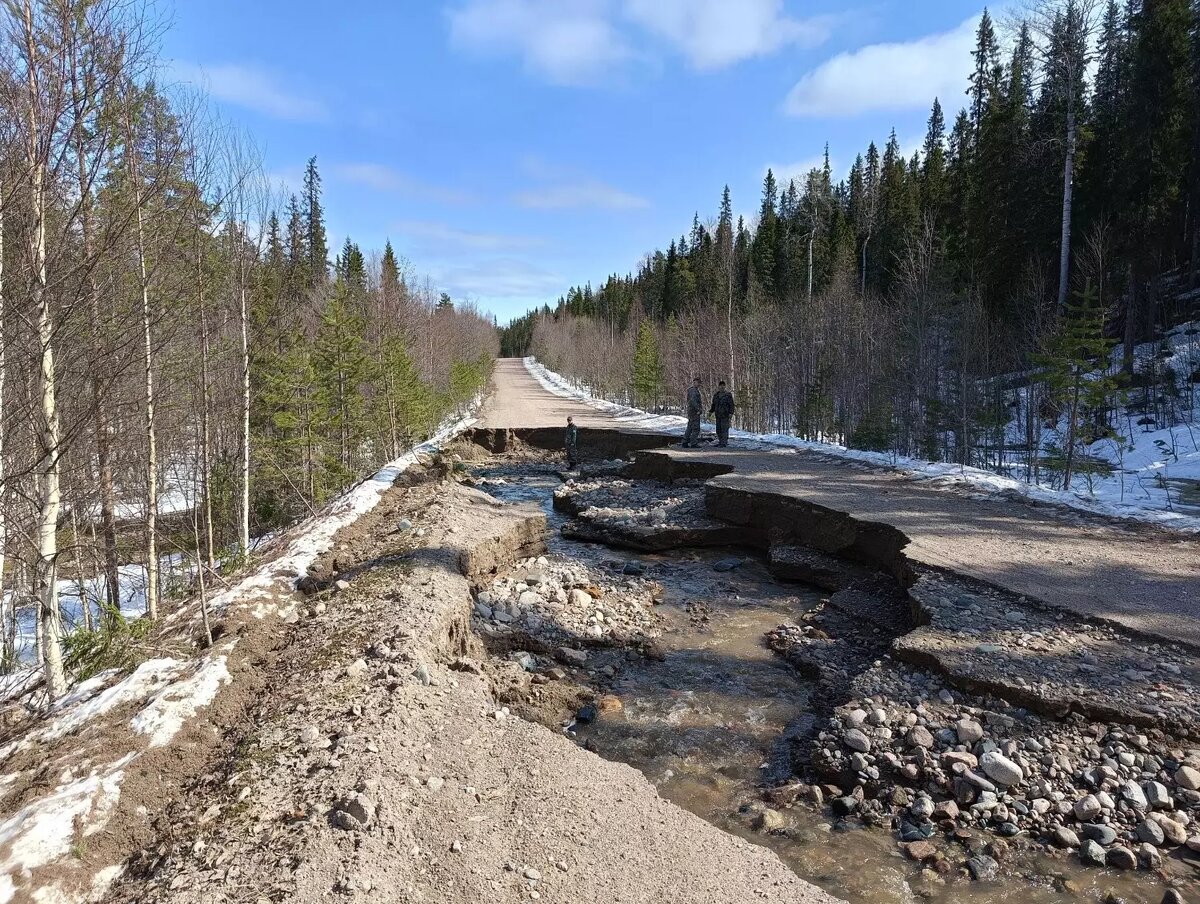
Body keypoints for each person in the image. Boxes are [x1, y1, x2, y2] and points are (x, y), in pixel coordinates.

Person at [709, 381, 735, 447]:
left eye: (723, 385)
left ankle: (724, 443)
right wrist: (711, 411)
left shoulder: (728, 395)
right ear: (718, 386)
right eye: (721, 385)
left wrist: (731, 413)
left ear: (725, 386)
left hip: (725, 414)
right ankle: (721, 441)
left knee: (724, 429)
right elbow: (713, 405)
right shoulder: (716, 395)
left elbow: (731, 405)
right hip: (718, 415)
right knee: (718, 429)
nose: (722, 387)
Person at [683, 376, 703, 448]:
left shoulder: (692, 390)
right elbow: (693, 401)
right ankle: (693, 442)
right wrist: (698, 409)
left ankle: (685, 441)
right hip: (694, 412)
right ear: (694, 383)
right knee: (695, 428)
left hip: (692, 411)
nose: (699, 384)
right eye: (698, 383)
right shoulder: (693, 391)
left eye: (700, 383)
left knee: (690, 426)